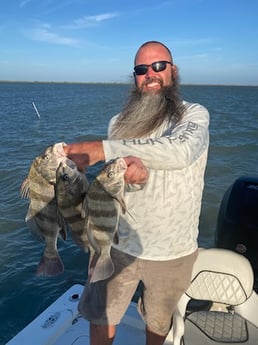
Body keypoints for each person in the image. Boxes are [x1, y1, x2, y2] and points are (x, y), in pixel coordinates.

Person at [64, 40, 209, 345]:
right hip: (117, 244)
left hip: (173, 251)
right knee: (100, 319)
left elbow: (179, 152)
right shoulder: (119, 123)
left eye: (159, 66)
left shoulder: (193, 116)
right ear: (135, 77)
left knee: (158, 326)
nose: (150, 74)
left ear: (173, 71)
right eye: (142, 69)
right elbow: (117, 180)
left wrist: (100, 149)